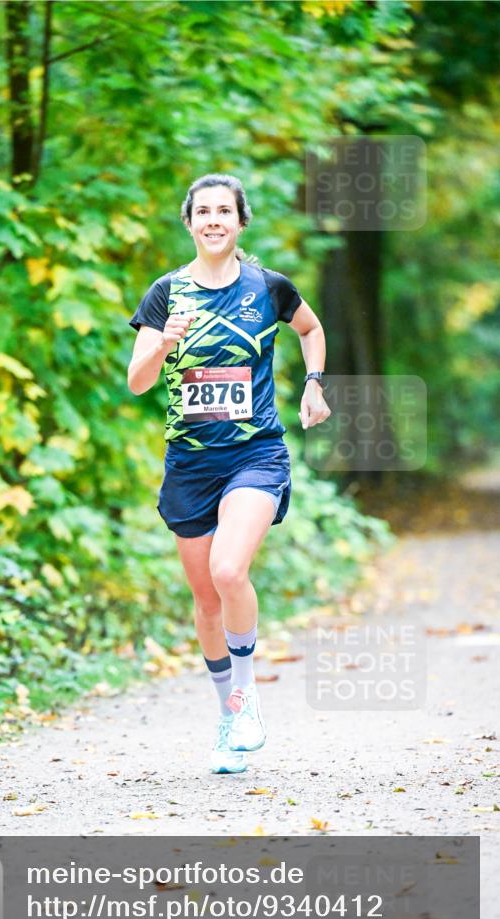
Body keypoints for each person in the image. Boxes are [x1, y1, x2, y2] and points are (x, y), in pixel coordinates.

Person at [127, 173, 330, 775]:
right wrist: (163, 342)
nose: (214, 220)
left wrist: (314, 384)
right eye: (203, 212)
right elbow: (138, 381)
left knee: (228, 569)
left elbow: (311, 329)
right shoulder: (165, 293)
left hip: (255, 454)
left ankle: (247, 696)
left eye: (225, 211)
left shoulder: (268, 287)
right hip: (190, 463)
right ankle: (228, 715)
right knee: (206, 598)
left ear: (241, 222)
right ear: (188, 222)